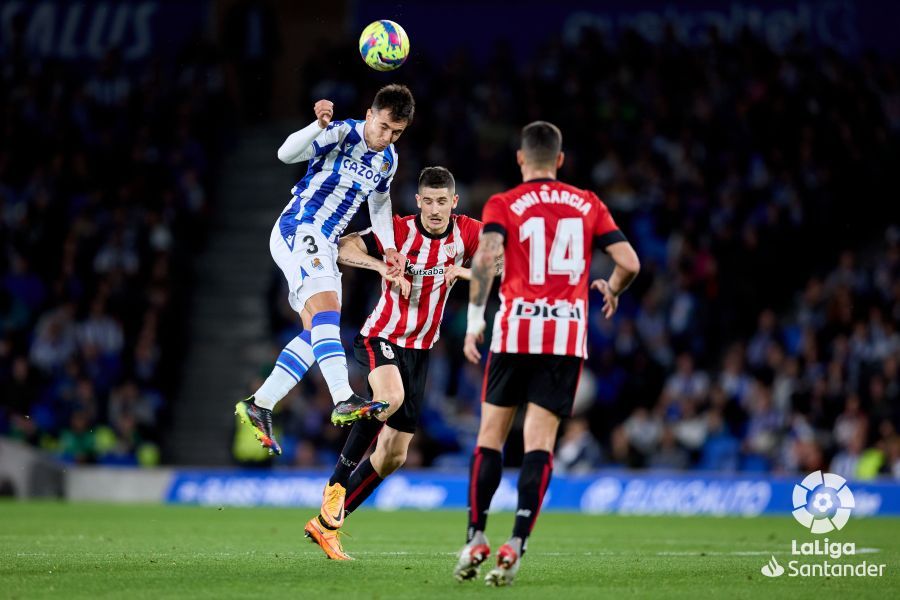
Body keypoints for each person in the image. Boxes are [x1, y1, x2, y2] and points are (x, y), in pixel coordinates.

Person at [455, 121, 640, 586]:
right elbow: (630, 263)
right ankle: (515, 543)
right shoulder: (588, 203)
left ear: (521, 159)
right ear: (560, 160)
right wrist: (613, 288)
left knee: (491, 437)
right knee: (540, 445)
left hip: (515, 331)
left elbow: (484, 259)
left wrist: (476, 323)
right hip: (563, 339)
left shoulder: (503, 203)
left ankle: (476, 535)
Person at [305, 167, 484, 560]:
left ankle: (327, 523)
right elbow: (344, 246)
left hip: (421, 351)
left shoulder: (467, 232)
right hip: (381, 336)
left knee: (393, 456)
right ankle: (336, 484)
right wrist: (382, 265)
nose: (435, 209)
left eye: (443, 202)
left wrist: (465, 271)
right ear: (418, 201)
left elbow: (502, 264)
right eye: (428, 201)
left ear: (453, 203)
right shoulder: (398, 231)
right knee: (389, 397)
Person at [235, 85, 415, 454]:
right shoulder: (340, 132)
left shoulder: (387, 160)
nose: (387, 137)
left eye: (396, 132)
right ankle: (344, 397)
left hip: (325, 243)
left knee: (317, 330)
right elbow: (285, 154)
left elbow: (380, 204)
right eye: (383, 127)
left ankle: (261, 403)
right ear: (369, 114)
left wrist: (392, 248)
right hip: (301, 227)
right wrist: (316, 126)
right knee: (330, 312)